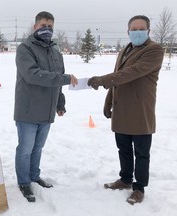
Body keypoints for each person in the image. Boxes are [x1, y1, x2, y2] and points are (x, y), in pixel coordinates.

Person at [87, 15, 164, 205]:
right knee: (123, 149)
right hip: (121, 110)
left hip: (140, 110)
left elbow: (132, 72)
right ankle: (125, 179)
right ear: (128, 31)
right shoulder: (124, 50)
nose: (137, 32)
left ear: (148, 31)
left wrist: (103, 80)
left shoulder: (154, 50)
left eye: (141, 28)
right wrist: (108, 101)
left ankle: (139, 188)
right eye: (134, 29)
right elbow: (118, 81)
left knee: (141, 152)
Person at [14, 11, 78, 202]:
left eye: (50, 26)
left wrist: (60, 103)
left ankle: (34, 176)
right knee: (25, 149)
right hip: (28, 110)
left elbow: (57, 81)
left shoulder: (56, 52)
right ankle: (24, 182)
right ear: (35, 27)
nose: (47, 30)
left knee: (38, 147)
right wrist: (65, 79)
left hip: (47, 111)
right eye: (43, 26)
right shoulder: (25, 49)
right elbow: (32, 75)